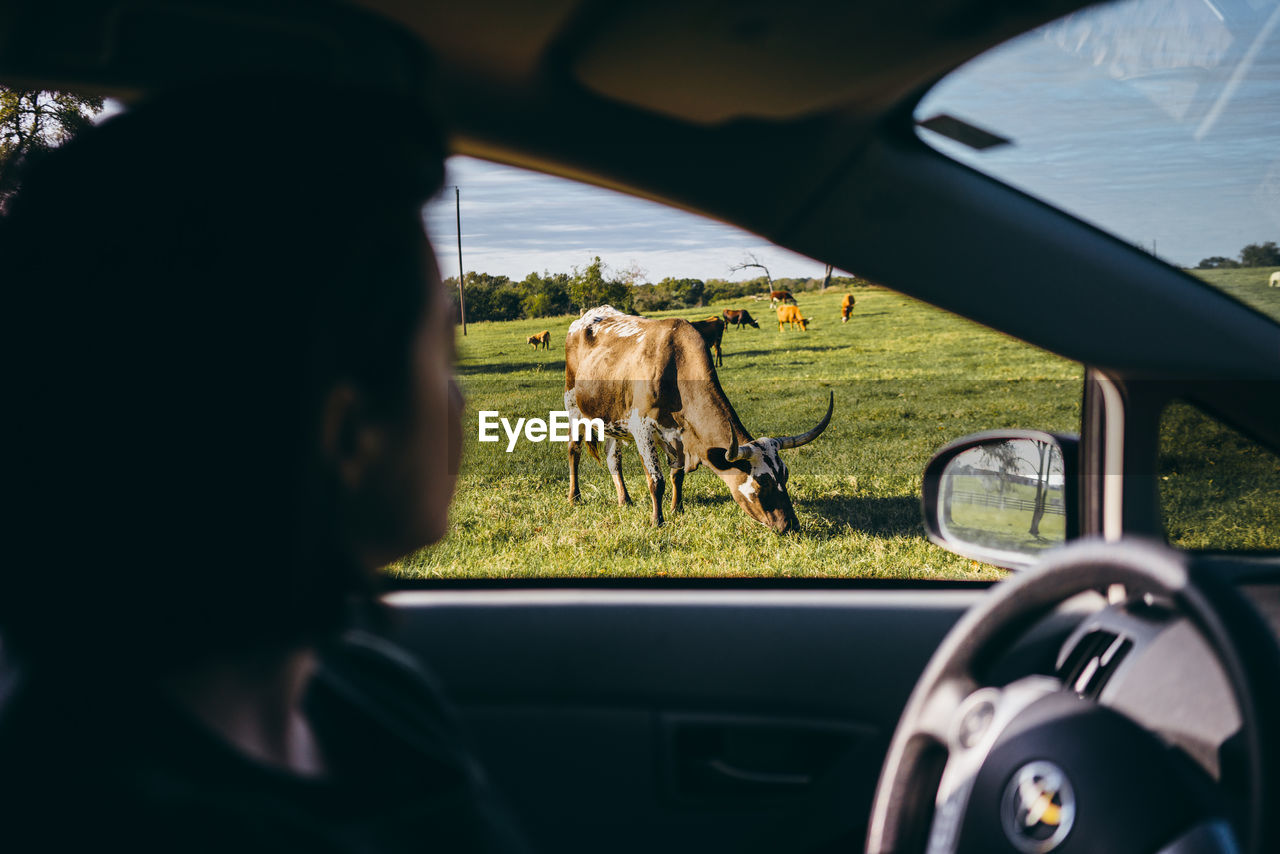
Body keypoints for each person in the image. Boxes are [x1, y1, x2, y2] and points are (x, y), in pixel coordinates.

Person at [0, 78, 523, 852]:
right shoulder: (113, 820)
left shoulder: (363, 691)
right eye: (443, 353)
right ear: (349, 434)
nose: (458, 400)